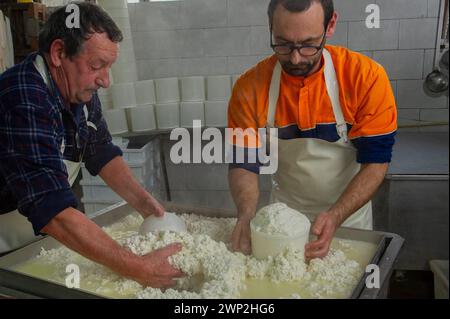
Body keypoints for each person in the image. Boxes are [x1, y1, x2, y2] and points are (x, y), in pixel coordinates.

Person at [0, 2, 183, 288]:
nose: (106, 80)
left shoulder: (78, 89)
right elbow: (51, 209)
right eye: (97, 66)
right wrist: (135, 266)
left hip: (35, 236)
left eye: (109, 67)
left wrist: (145, 204)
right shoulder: (22, 96)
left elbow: (100, 151)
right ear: (59, 53)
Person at [228, 0, 397, 259]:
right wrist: (246, 214)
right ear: (270, 27)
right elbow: (244, 162)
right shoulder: (249, 87)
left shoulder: (365, 78)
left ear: (330, 26)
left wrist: (335, 216)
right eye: (283, 44)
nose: (295, 58)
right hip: (282, 223)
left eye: (308, 45)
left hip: (348, 221)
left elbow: (376, 162)